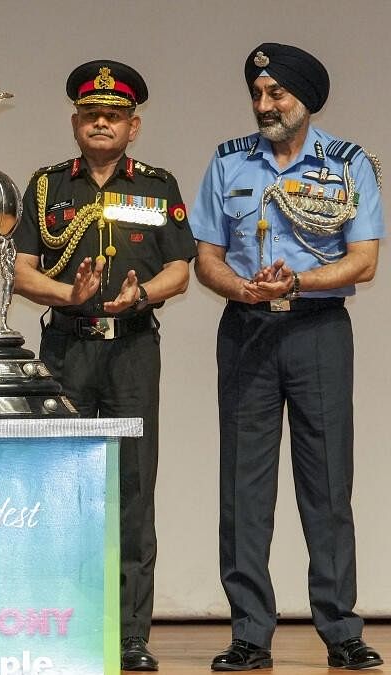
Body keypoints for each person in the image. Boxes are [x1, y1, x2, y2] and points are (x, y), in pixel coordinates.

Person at [190, 43, 383, 671]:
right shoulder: (227, 162)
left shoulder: (348, 162)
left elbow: (365, 260)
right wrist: (239, 287)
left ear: (307, 98)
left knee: (327, 482)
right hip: (246, 327)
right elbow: (207, 257)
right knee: (244, 487)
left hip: (317, 330)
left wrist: (297, 283)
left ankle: (340, 628)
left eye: (277, 94)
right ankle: (250, 631)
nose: (265, 105)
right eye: (257, 94)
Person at [11, 60, 196, 671]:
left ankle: (130, 635)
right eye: (91, 114)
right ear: (75, 121)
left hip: (133, 350)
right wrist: (68, 295)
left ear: (132, 126)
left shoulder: (157, 186)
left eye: (113, 116)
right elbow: (22, 272)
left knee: (133, 486)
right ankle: (60, 619)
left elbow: (179, 271)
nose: (101, 124)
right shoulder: (44, 187)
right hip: (66, 348)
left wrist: (140, 296)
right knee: (59, 483)